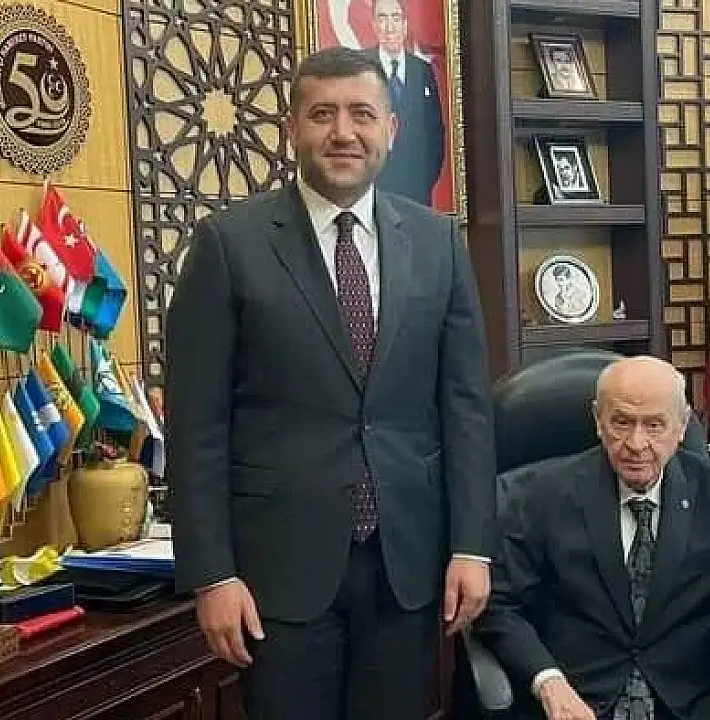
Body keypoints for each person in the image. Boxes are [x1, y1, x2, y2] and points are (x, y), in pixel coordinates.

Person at [165, 46, 495, 720]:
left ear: (390, 130)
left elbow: (466, 408)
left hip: (407, 568)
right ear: (292, 128)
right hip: (277, 573)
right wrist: (211, 574)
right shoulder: (229, 244)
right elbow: (196, 425)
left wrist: (472, 545)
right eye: (322, 114)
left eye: (361, 114)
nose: (343, 132)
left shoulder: (437, 242)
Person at [473, 356, 710, 720]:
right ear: (598, 420)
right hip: (576, 701)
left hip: (696, 703)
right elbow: (497, 603)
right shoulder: (539, 494)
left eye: (654, 425)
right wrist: (548, 682)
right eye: (622, 422)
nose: (636, 443)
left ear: (682, 425)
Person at [364, 0, 446, 206]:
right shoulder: (361, 67)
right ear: (373, 24)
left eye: (395, 18)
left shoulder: (423, 70)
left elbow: (435, 133)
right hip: (373, 192)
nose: (389, 27)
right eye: (382, 18)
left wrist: (424, 181)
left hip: (416, 193)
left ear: (405, 24)